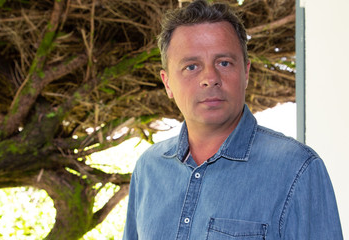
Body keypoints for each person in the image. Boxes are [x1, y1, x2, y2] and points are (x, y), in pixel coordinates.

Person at [123, 0, 343, 239]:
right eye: (191, 66)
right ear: (167, 83)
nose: (210, 77)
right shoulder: (148, 168)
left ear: (246, 73)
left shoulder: (298, 169)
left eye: (224, 63)